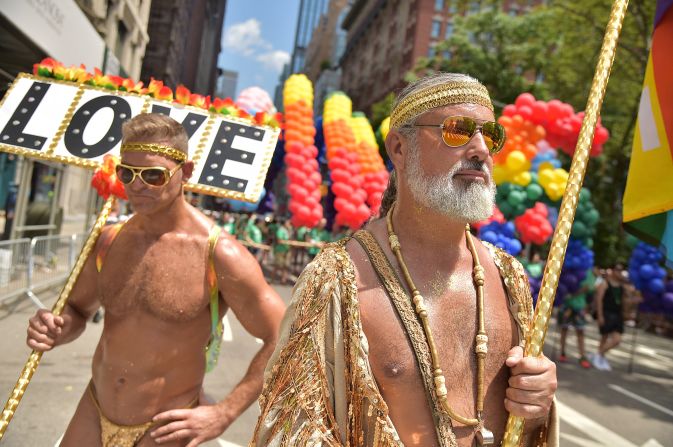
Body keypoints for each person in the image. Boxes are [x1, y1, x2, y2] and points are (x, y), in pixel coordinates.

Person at [251, 73, 558, 446]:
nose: (480, 149)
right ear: (399, 147)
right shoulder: (337, 278)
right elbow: (292, 431)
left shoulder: (507, 275)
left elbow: (523, 429)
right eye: (458, 130)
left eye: (490, 135)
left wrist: (538, 405)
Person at [26, 113, 286, 447]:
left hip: (164, 430)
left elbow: (282, 335)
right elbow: (77, 310)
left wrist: (224, 413)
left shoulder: (218, 254)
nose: (137, 184)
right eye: (127, 172)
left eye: (153, 174)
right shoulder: (108, 241)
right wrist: (56, 327)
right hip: (94, 410)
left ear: (186, 173)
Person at [557, 269, 594, 368]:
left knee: (580, 332)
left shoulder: (587, 272)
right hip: (566, 306)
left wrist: (572, 294)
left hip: (579, 306)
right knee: (564, 329)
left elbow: (587, 287)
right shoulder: (566, 270)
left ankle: (582, 356)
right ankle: (562, 353)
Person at [591, 265, 626, 371]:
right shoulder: (604, 284)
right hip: (607, 313)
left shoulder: (622, 286)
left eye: (621, 270)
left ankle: (599, 355)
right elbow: (599, 300)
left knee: (616, 339)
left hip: (617, 314)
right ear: (612, 271)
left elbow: (624, 300)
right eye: (618, 270)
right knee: (604, 337)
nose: (620, 272)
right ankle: (600, 357)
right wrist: (600, 315)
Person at [272, 218, 291, 285]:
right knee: (278, 265)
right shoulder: (280, 230)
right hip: (280, 250)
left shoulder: (287, 230)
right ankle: (272, 279)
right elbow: (279, 240)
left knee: (286, 266)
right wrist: (287, 242)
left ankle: (283, 280)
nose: (289, 224)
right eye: (288, 222)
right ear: (284, 223)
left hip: (286, 250)